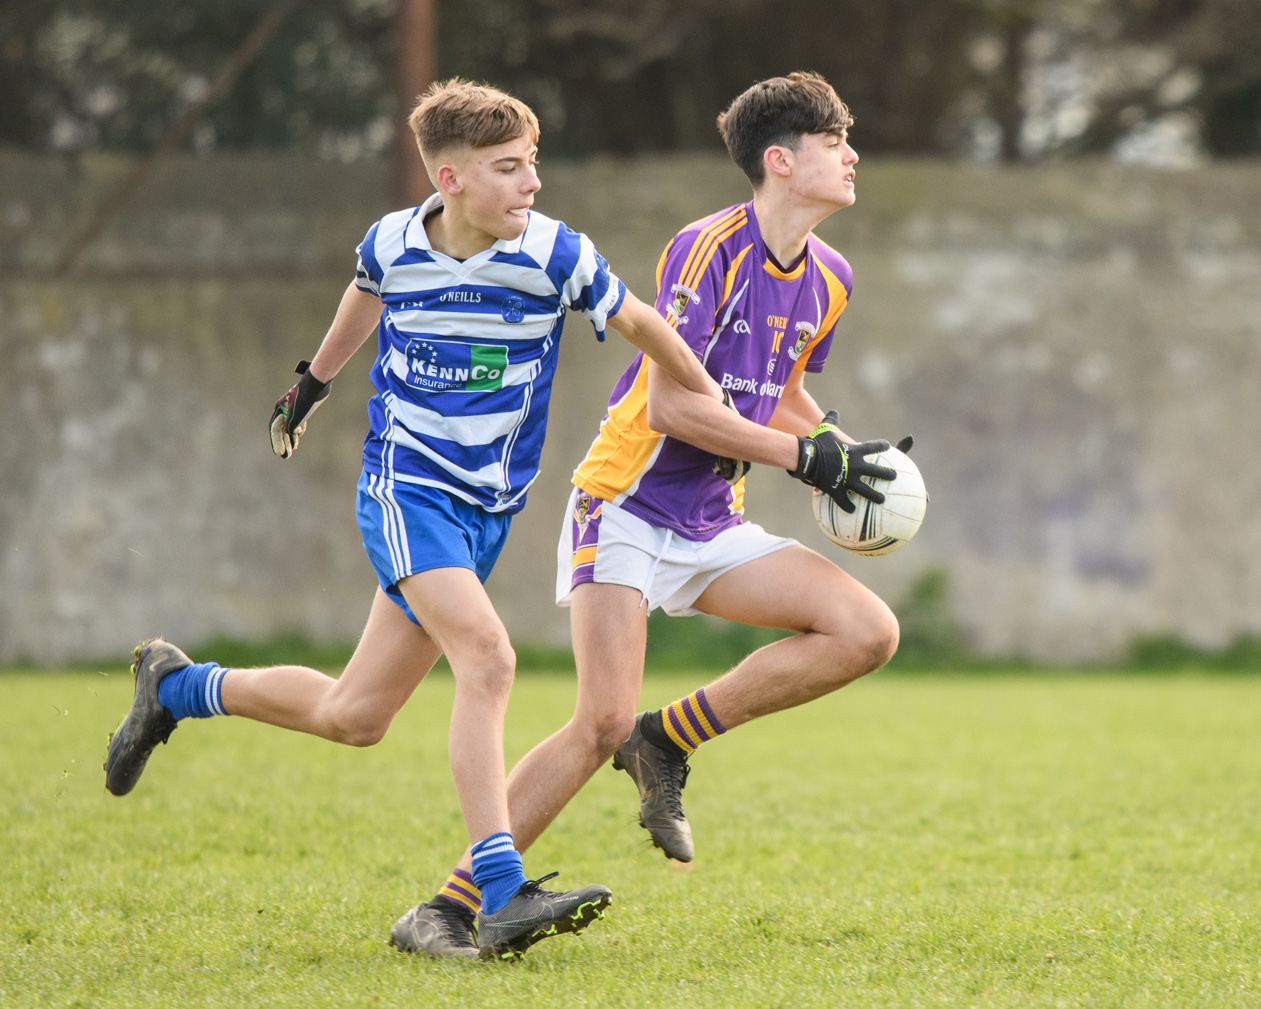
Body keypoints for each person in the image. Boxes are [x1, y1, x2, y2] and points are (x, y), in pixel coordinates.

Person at [101, 78, 765, 963]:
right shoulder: (392, 241)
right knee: (488, 659)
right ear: (449, 178)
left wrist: (715, 407)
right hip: (407, 493)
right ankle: (498, 892)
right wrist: (314, 384)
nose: (531, 183)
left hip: (486, 511)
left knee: (355, 713)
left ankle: (175, 687)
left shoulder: (554, 254)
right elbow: (364, 293)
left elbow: (643, 324)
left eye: (533, 164)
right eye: (508, 168)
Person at [406, 71, 909, 958]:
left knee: (865, 630)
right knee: (597, 719)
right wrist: (805, 457)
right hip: (626, 501)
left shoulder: (831, 276)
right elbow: (674, 406)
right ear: (781, 162)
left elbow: (781, 390)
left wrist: (839, 447)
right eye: (837, 141)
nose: (852, 153)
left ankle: (667, 740)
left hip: (714, 516)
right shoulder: (706, 247)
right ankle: (444, 907)